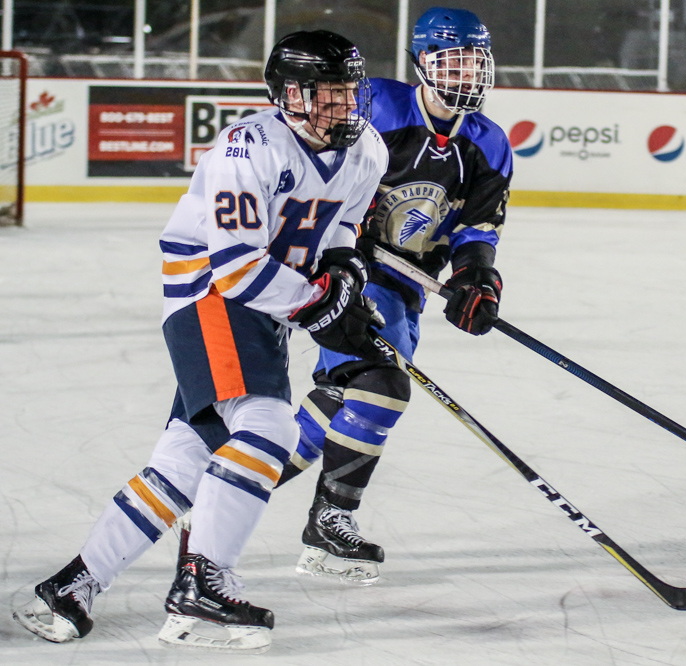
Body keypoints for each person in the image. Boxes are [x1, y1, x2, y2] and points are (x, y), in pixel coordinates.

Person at [12, 30, 388, 653]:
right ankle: (201, 589)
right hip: (211, 294)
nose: (340, 107)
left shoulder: (366, 150)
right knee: (270, 429)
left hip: (261, 310)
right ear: (287, 94)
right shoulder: (248, 148)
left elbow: (343, 225)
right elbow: (236, 267)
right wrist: (320, 310)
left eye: (348, 93)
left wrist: (345, 277)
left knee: (184, 462)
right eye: (325, 94)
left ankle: (72, 587)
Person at [277, 7, 513, 586]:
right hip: (342, 270)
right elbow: (319, 160)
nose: (465, 73)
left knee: (343, 396)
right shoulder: (376, 104)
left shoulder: (489, 143)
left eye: (474, 60)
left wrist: (476, 279)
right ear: (422, 64)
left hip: (405, 286)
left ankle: (234, 480)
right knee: (381, 385)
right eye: (452, 60)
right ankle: (330, 524)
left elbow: (478, 230)